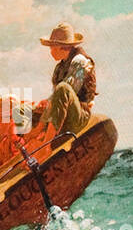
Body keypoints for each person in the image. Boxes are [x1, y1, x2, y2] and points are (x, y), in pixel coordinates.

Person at [22, 22, 97, 152]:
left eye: (52, 47)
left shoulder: (80, 62)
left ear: (61, 47)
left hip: (78, 116)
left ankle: (46, 146)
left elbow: (66, 92)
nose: (50, 51)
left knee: (62, 88)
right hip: (63, 113)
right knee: (23, 108)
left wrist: (40, 125)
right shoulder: (59, 67)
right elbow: (56, 99)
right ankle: (26, 145)